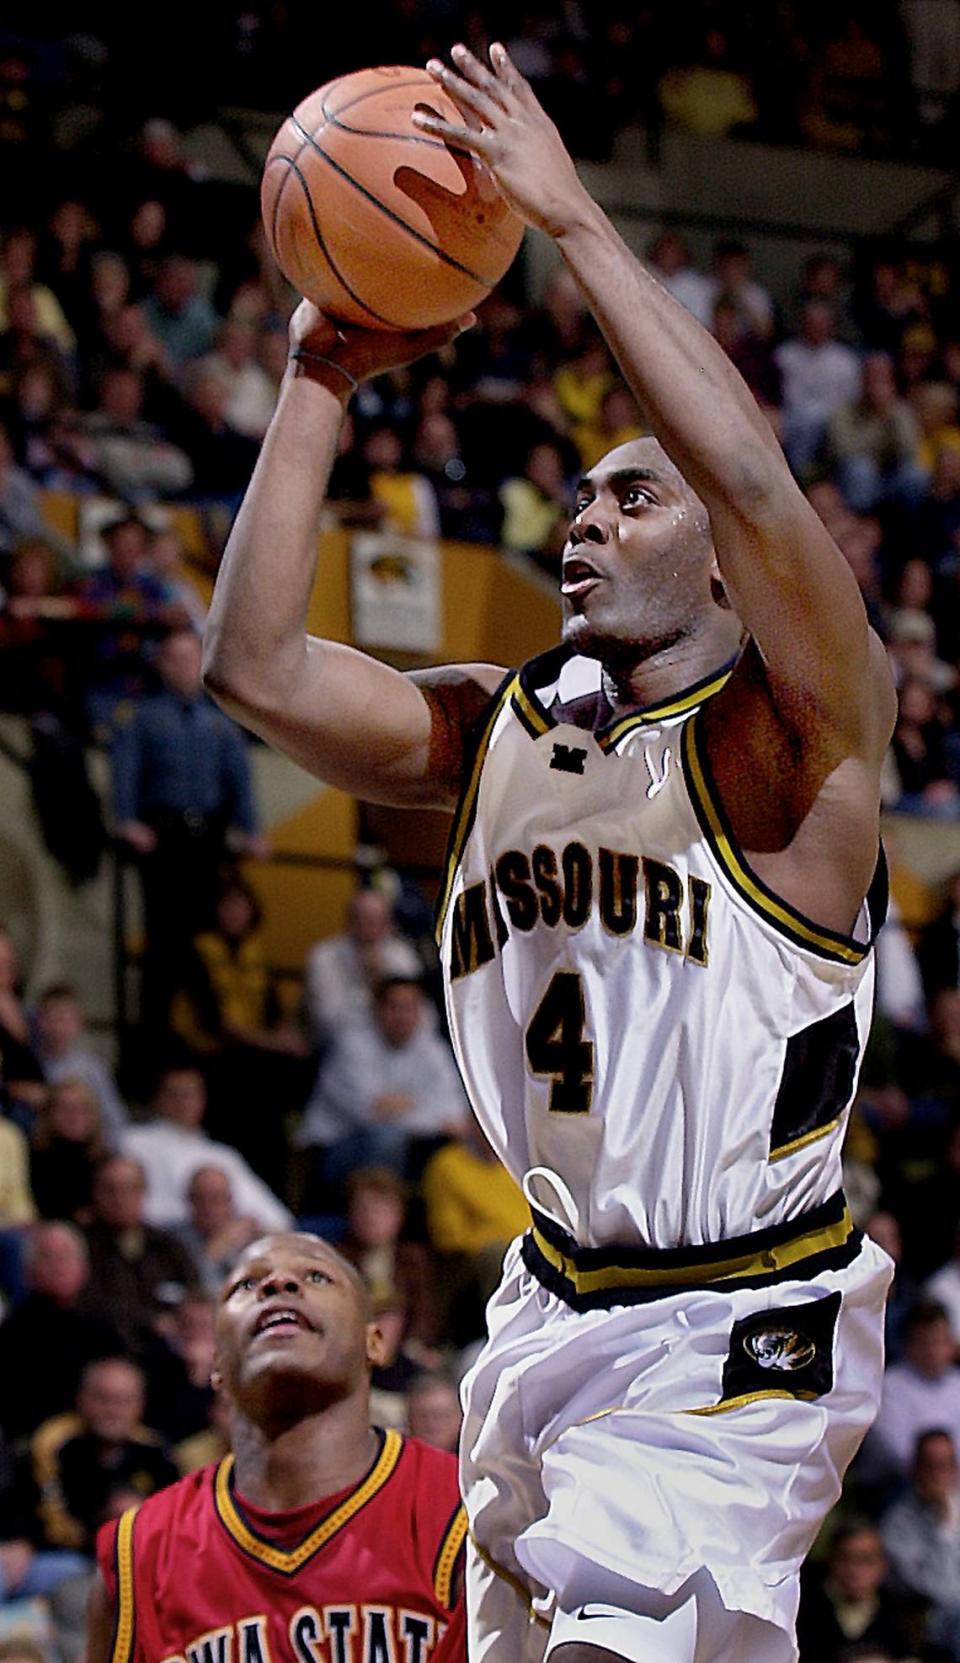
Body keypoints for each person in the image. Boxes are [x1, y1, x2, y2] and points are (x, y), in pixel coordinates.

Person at [202, 41, 895, 1663]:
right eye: (576, 498)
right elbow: (259, 671)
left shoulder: (805, 742)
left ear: (727, 566)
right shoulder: (507, 725)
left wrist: (572, 218)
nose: (584, 519)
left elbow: (746, 468)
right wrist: (315, 376)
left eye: (630, 497)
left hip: (737, 1318)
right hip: (544, 1306)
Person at [85, 1231, 466, 1663]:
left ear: (373, 1342)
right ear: (217, 1364)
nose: (278, 1284)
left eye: (317, 1277)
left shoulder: (467, 1515)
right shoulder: (139, 1555)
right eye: (247, 1285)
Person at [110, 627, 267, 1040]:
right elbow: (124, 771)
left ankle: (211, 1031)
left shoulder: (219, 720)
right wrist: (127, 820)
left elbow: (239, 779)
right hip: (163, 837)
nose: (184, 667)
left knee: (207, 936)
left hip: (208, 840)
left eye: (191, 658)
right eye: (175, 658)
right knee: (163, 939)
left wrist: (251, 829)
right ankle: (157, 1035)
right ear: (161, 664)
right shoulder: (141, 716)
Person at [295, 976, 468, 1190]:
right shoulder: (352, 1046)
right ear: (376, 1010)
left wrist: (400, 1106)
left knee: (455, 1145)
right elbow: (370, 1114)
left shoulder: (432, 1048)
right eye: (394, 1007)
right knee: (386, 1137)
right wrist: (426, 1110)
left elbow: (456, 1113)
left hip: (407, 1144)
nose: (402, 1016)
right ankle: (379, 1213)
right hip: (331, 1149)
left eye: (410, 1007)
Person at [122, 1065, 292, 1233]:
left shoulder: (222, 1154)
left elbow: (277, 1218)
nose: (183, 1103)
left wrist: (240, 1227)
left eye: (190, 1095)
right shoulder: (134, 1142)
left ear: (202, 1100)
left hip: (229, 1244)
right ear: (157, 1099)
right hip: (168, 1242)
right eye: (174, 1094)